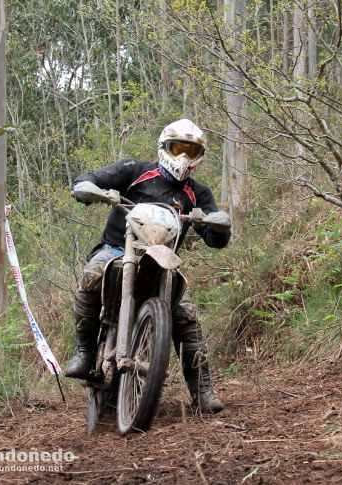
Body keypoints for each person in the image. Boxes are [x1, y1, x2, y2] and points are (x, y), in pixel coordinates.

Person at [66, 119, 230, 414]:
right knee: (92, 275)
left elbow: (216, 239)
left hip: (163, 263)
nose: (183, 157)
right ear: (163, 147)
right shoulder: (135, 171)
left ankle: (203, 391)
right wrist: (89, 188)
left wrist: (213, 223)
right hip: (117, 250)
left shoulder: (198, 194)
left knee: (187, 316)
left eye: (190, 151)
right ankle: (84, 350)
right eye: (177, 148)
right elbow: (90, 177)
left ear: (199, 157)